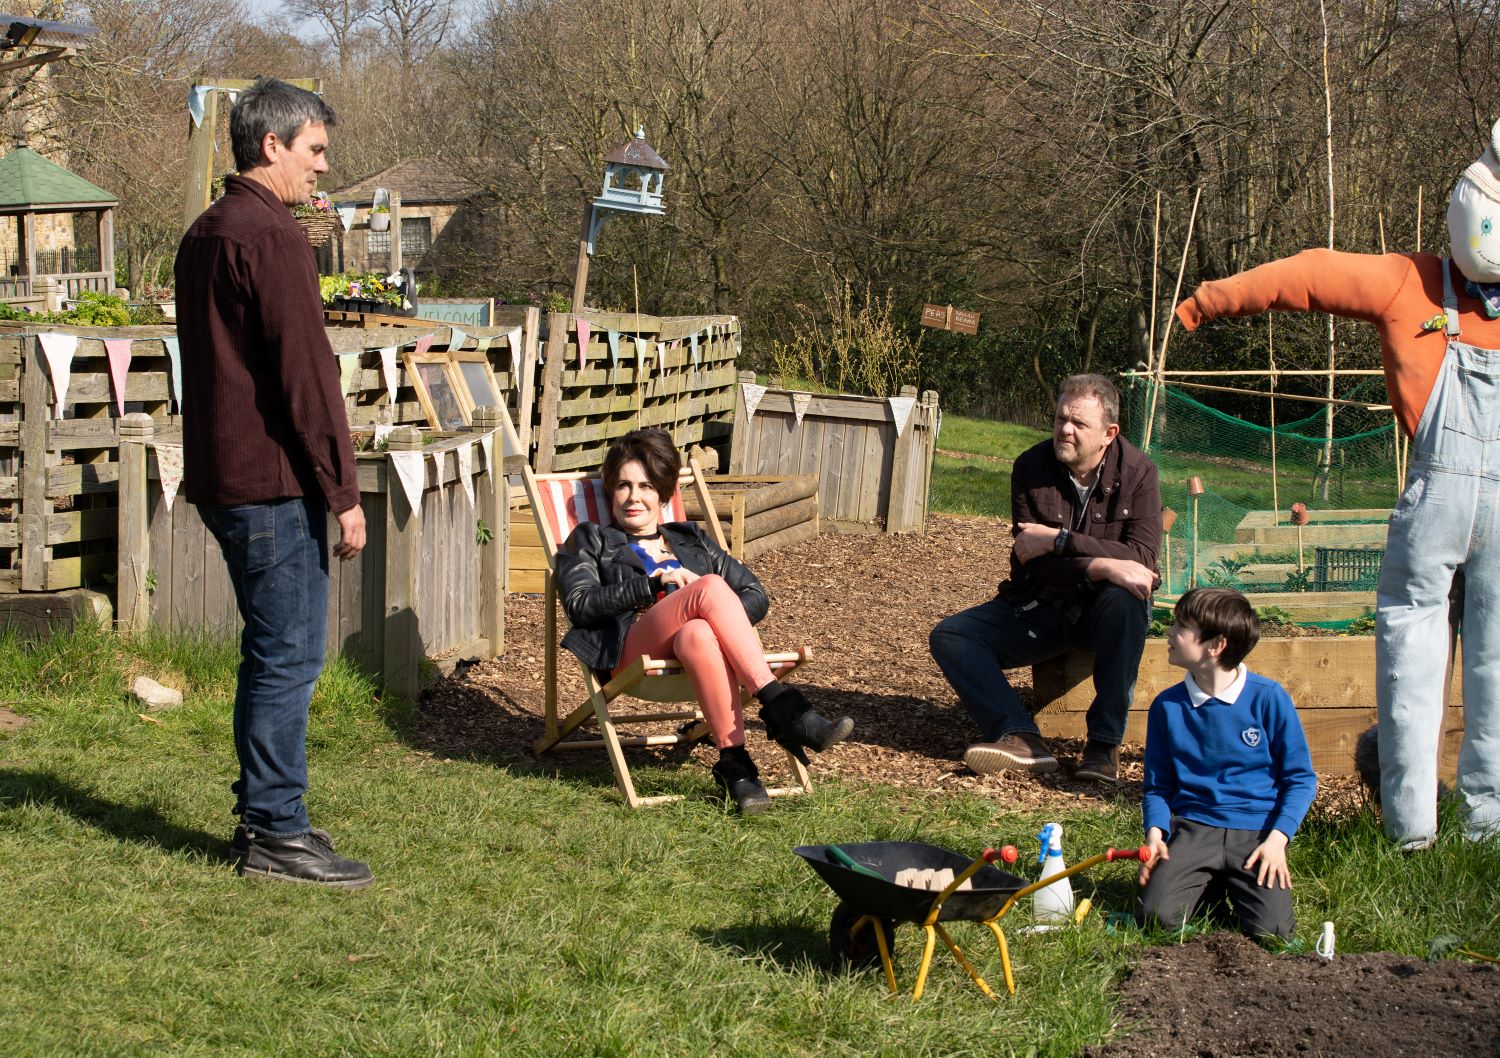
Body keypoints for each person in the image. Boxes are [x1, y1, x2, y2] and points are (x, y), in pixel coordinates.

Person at [1174, 119, 1500, 850]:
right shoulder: (1413, 282)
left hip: (1435, 502)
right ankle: (1488, 837)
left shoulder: (1409, 282)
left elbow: (1308, 274)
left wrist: (1209, 299)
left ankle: (1413, 838)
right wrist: (1212, 298)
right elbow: (1309, 274)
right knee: (1497, 672)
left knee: (1412, 668)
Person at [175, 78, 372, 888]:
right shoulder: (273, 237)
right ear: (272, 146)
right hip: (269, 482)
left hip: (226, 478)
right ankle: (274, 831)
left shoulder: (205, 232)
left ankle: (270, 812)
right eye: (316, 151)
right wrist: (344, 492)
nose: (323, 167)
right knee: (288, 656)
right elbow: (307, 378)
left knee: (271, 654)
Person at [555, 428, 853, 813]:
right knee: (710, 586)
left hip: (693, 652)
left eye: (646, 486)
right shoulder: (591, 539)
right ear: (611, 490)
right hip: (631, 651)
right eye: (624, 485)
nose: (634, 497)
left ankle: (737, 767)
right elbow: (579, 605)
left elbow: (755, 595)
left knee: (698, 630)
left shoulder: (690, 539)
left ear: (663, 493)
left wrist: (711, 618)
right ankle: (786, 711)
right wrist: (652, 585)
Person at [929, 374, 1161, 784]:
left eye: (1078, 424)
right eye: (1060, 419)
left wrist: (1061, 540)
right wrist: (1101, 565)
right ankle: (1020, 738)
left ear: (1109, 433)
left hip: (1103, 615)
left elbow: (1142, 562)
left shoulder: (1140, 474)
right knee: (951, 636)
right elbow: (1031, 563)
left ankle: (1104, 746)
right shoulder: (1031, 466)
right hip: (1041, 603)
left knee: (1125, 600)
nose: (1065, 430)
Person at [1137, 588, 1317, 942]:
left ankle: (1219, 882)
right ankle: (1209, 883)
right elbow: (1158, 787)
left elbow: (1300, 779)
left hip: (1256, 832)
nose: (1169, 632)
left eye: (1181, 626)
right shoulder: (1166, 706)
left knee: (1275, 933)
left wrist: (1278, 840)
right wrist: (1156, 833)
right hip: (1195, 826)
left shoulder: (1268, 698)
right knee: (1155, 918)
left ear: (1215, 645)